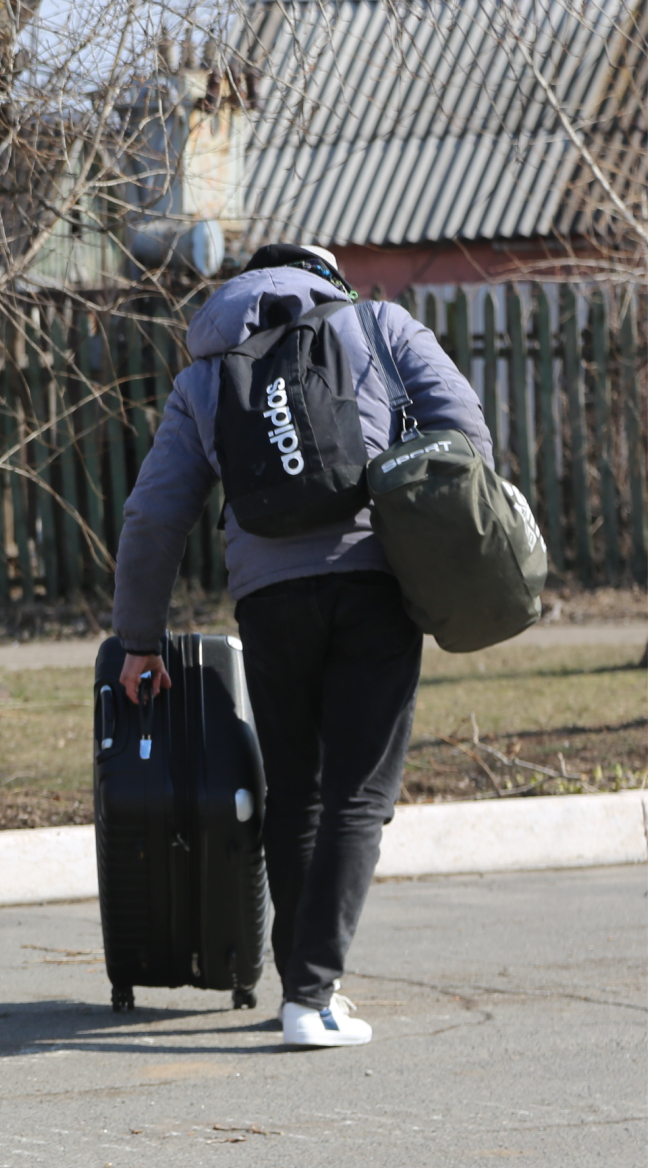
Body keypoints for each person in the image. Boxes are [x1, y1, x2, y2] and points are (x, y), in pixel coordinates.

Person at [111, 244, 492, 1049]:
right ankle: (312, 997)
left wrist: (138, 640)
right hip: (373, 583)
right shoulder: (379, 324)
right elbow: (462, 429)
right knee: (358, 794)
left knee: (298, 791)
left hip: (269, 601)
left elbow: (154, 515)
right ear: (328, 281)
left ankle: (304, 989)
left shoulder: (204, 374)